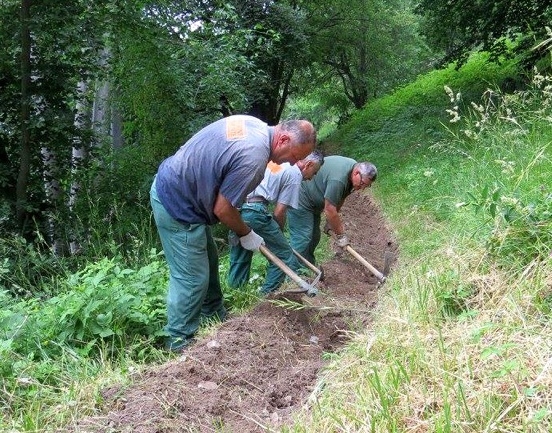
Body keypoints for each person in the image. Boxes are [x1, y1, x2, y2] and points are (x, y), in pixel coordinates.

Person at [150, 115, 316, 352]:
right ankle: (179, 342)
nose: (291, 164)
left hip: (184, 193)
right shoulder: (255, 158)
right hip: (176, 202)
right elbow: (223, 208)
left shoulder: (254, 125)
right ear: (283, 139)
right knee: (192, 277)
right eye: (294, 156)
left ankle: (215, 316)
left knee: (209, 260)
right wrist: (246, 233)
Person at [227, 150, 325, 294]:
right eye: (314, 172)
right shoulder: (295, 174)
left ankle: (237, 295)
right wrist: (277, 236)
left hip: (236, 209)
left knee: (241, 253)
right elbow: (280, 211)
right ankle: (266, 297)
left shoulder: (281, 162)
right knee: (284, 255)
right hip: (256, 212)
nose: (311, 178)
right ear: (308, 164)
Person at [288, 155, 377, 265]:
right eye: (362, 183)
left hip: (312, 201)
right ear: (356, 173)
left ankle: (307, 267)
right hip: (301, 196)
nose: (362, 187)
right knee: (303, 237)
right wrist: (341, 235)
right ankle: (293, 272)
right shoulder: (338, 179)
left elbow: (340, 197)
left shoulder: (352, 170)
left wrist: (331, 223)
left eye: (366, 186)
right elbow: (330, 209)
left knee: (314, 237)